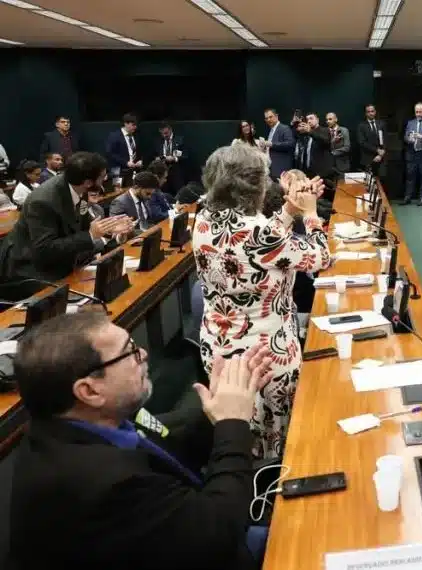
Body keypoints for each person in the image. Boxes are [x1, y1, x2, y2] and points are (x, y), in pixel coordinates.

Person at [9, 312, 274, 570]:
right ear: (89, 390)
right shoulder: (106, 484)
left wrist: (217, 412)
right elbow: (219, 534)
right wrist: (233, 423)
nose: (144, 354)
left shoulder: (95, 420)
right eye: (130, 352)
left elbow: (173, 453)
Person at [194, 144, 332, 459]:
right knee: (278, 440)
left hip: (220, 349)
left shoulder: (203, 219)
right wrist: (310, 214)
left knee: (236, 431)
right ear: (254, 185)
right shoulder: (259, 233)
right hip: (266, 355)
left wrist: (289, 210)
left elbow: (257, 244)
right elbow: (320, 257)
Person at [0, 151, 133, 284]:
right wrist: (90, 235)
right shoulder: (42, 202)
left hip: (62, 260)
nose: (105, 179)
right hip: (31, 268)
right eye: (102, 177)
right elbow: (45, 249)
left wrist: (110, 229)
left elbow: (84, 222)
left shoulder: (79, 187)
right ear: (88, 182)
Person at [105, 113, 142, 186]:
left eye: (136, 125)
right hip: (117, 170)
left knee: (132, 189)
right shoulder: (114, 136)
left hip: (133, 171)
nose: (135, 127)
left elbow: (137, 151)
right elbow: (110, 153)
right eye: (133, 125)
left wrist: (139, 160)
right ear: (126, 124)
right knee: (117, 190)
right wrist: (126, 162)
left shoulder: (136, 135)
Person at [293, 112, 332, 179]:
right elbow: (294, 135)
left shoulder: (325, 130)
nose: (309, 121)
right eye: (307, 119)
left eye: (311, 118)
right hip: (307, 171)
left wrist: (310, 131)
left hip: (321, 171)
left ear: (317, 120)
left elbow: (326, 141)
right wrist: (294, 124)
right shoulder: (306, 133)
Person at [262, 108, 295, 180]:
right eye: (266, 118)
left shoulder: (285, 128)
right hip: (271, 170)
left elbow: (290, 144)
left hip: (281, 170)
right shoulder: (270, 131)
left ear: (276, 116)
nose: (268, 120)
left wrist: (272, 144)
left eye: (270, 117)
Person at [157, 121, 185, 195]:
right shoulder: (158, 141)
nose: (164, 135)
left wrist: (174, 158)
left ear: (170, 130)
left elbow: (186, 155)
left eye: (166, 133)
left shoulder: (180, 140)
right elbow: (154, 155)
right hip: (163, 172)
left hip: (177, 172)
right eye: (162, 134)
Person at [357, 104, 386, 175]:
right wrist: (377, 150)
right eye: (368, 112)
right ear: (366, 113)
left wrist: (381, 154)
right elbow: (362, 142)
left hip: (381, 158)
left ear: (375, 112)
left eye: (372, 111)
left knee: (382, 179)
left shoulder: (382, 124)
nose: (370, 113)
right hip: (368, 158)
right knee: (369, 180)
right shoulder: (361, 126)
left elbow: (386, 139)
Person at [325, 112, 351, 178]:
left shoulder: (344, 130)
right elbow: (323, 148)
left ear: (336, 119)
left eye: (330, 119)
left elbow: (347, 147)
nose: (328, 121)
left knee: (342, 183)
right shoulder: (324, 131)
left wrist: (331, 153)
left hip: (342, 165)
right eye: (327, 120)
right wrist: (332, 141)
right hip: (328, 166)